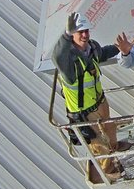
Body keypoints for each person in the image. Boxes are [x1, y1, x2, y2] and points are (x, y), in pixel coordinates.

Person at [51, 12, 122, 177]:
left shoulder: (92, 48)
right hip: (85, 112)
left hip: (100, 102)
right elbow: (57, 56)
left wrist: (119, 48)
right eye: (79, 32)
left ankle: (114, 155)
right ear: (73, 35)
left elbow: (103, 53)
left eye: (86, 31)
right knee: (99, 145)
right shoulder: (68, 61)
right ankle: (105, 172)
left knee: (110, 131)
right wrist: (66, 35)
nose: (84, 35)